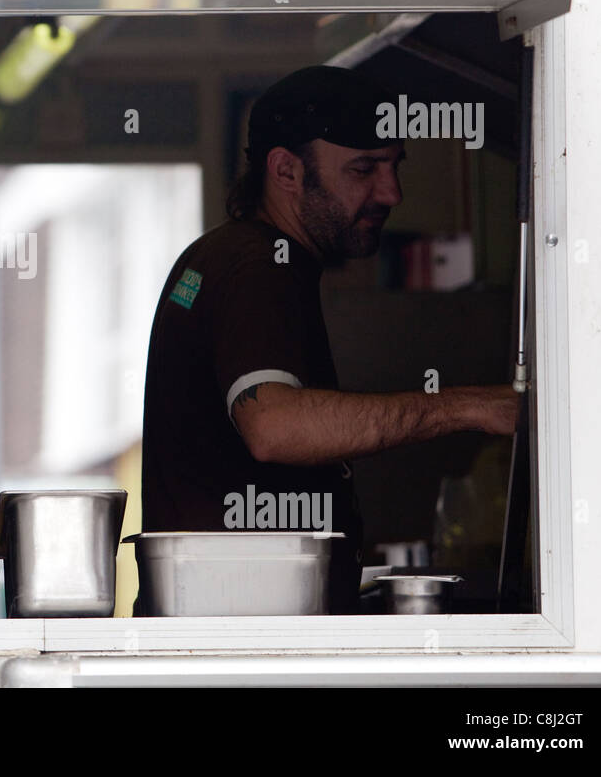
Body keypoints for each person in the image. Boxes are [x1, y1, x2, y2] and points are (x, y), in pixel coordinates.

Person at [140, 65, 520, 614]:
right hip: (235, 643)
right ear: (286, 170)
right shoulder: (258, 264)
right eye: (364, 169)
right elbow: (274, 425)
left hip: (233, 631)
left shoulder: (232, 256)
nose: (391, 192)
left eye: (394, 167)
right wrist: (468, 407)